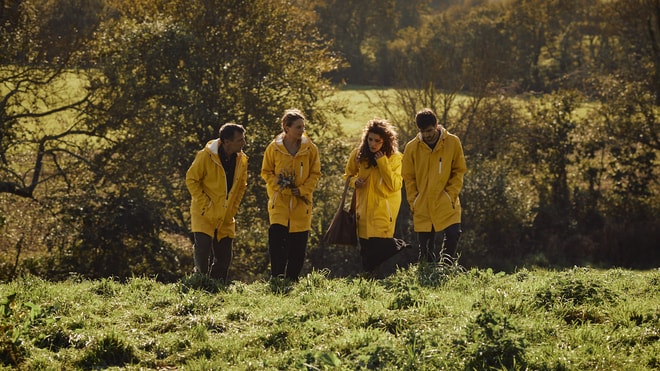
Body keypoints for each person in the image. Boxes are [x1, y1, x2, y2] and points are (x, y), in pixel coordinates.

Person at [261, 109, 321, 281]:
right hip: (279, 203)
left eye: (303, 127)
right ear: (286, 128)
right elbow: (266, 172)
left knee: (298, 246)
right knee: (277, 243)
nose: (302, 130)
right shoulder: (273, 149)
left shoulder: (311, 149)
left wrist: (302, 190)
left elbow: (315, 174)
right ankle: (276, 278)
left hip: (302, 205)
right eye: (298, 127)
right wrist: (279, 185)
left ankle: (292, 279)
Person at [345, 118, 410, 273]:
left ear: (386, 141)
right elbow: (348, 175)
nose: (373, 144)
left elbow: (395, 185)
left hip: (383, 212)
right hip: (363, 212)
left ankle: (373, 282)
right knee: (366, 252)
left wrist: (382, 162)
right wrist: (355, 182)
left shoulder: (395, 159)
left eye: (377, 141)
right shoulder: (359, 155)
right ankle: (369, 285)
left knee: (378, 251)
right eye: (370, 139)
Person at [402, 108, 467, 263]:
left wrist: (450, 195)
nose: (427, 135)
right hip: (422, 204)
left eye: (430, 130)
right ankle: (426, 276)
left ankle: (447, 268)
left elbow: (459, 171)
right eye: (423, 131)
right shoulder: (411, 148)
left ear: (436, 125)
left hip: (447, 202)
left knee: (453, 234)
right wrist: (414, 200)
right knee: (425, 252)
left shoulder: (453, 142)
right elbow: (408, 177)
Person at [186, 123, 248, 281]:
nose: (244, 143)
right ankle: (200, 282)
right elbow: (191, 180)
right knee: (202, 251)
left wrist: (233, 209)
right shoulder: (205, 156)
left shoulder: (242, 160)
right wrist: (205, 205)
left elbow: (241, 187)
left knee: (224, 256)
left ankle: (216, 287)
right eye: (240, 140)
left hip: (226, 216)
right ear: (227, 142)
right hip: (203, 213)